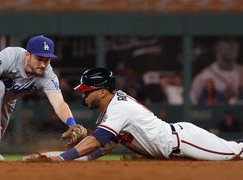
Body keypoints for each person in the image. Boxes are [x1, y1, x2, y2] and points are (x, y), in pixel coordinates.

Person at [45, 68, 243, 161]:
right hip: (176, 148)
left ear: (103, 91)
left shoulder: (118, 108)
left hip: (184, 141)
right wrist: (78, 158)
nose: (83, 94)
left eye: (87, 90)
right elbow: (107, 145)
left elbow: (99, 140)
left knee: (236, 153)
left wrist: (63, 158)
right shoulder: (110, 111)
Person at [0, 35, 86, 162]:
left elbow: (59, 103)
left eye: (47, 60)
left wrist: (72, 124)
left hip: (6, 98)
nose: (43, 64)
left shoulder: (48, 75)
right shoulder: (10, 56)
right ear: (27, 55)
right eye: (39, 59)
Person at [191, 37, 243, 104]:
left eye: (235, 41)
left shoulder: (241, 71)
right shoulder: (202, 78)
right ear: (216, 46)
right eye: (227, 41)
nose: (233, 45)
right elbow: (194, 105)